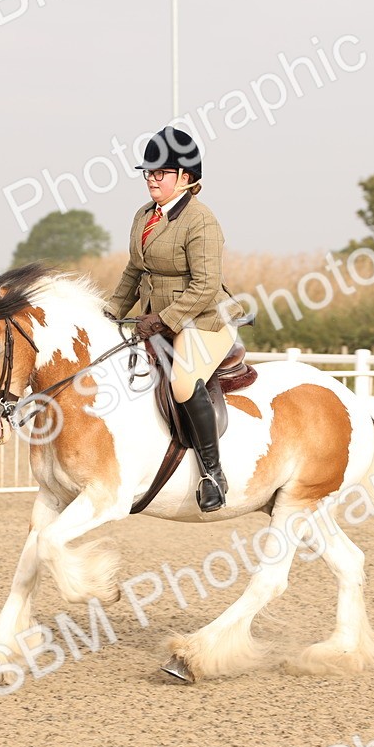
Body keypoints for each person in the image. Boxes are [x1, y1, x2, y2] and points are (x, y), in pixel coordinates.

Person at [104, 126, 246, 512]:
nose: (151, 178)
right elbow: (135, 270)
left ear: (185, 178)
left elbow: (205, 285)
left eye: (160, 172)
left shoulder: (201, 220)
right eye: (148, 172)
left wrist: (162, 320)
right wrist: (111, 312)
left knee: (183, 382)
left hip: (204, 320)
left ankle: (213, 474)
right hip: (158, 318)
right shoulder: (144, 215)